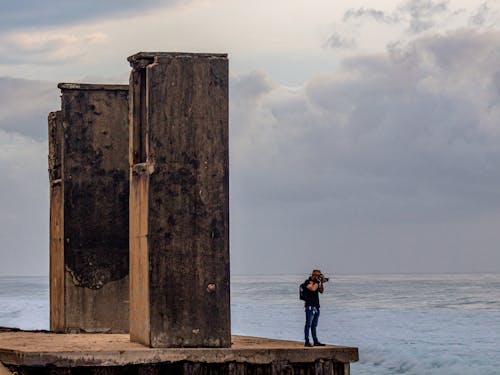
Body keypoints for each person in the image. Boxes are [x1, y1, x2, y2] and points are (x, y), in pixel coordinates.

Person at [303, 269, 327, 347]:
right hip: (309, 306)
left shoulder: (317, 282)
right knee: (308, 324)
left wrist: (322, 283)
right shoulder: (307, 282)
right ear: (314, 275)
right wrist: (317, 281)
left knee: (314, 325)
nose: (319, 277)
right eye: (318, 275)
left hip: (316, 306)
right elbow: (312, 289)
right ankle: (307, 341)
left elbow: (321, 291)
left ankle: (315, 341)